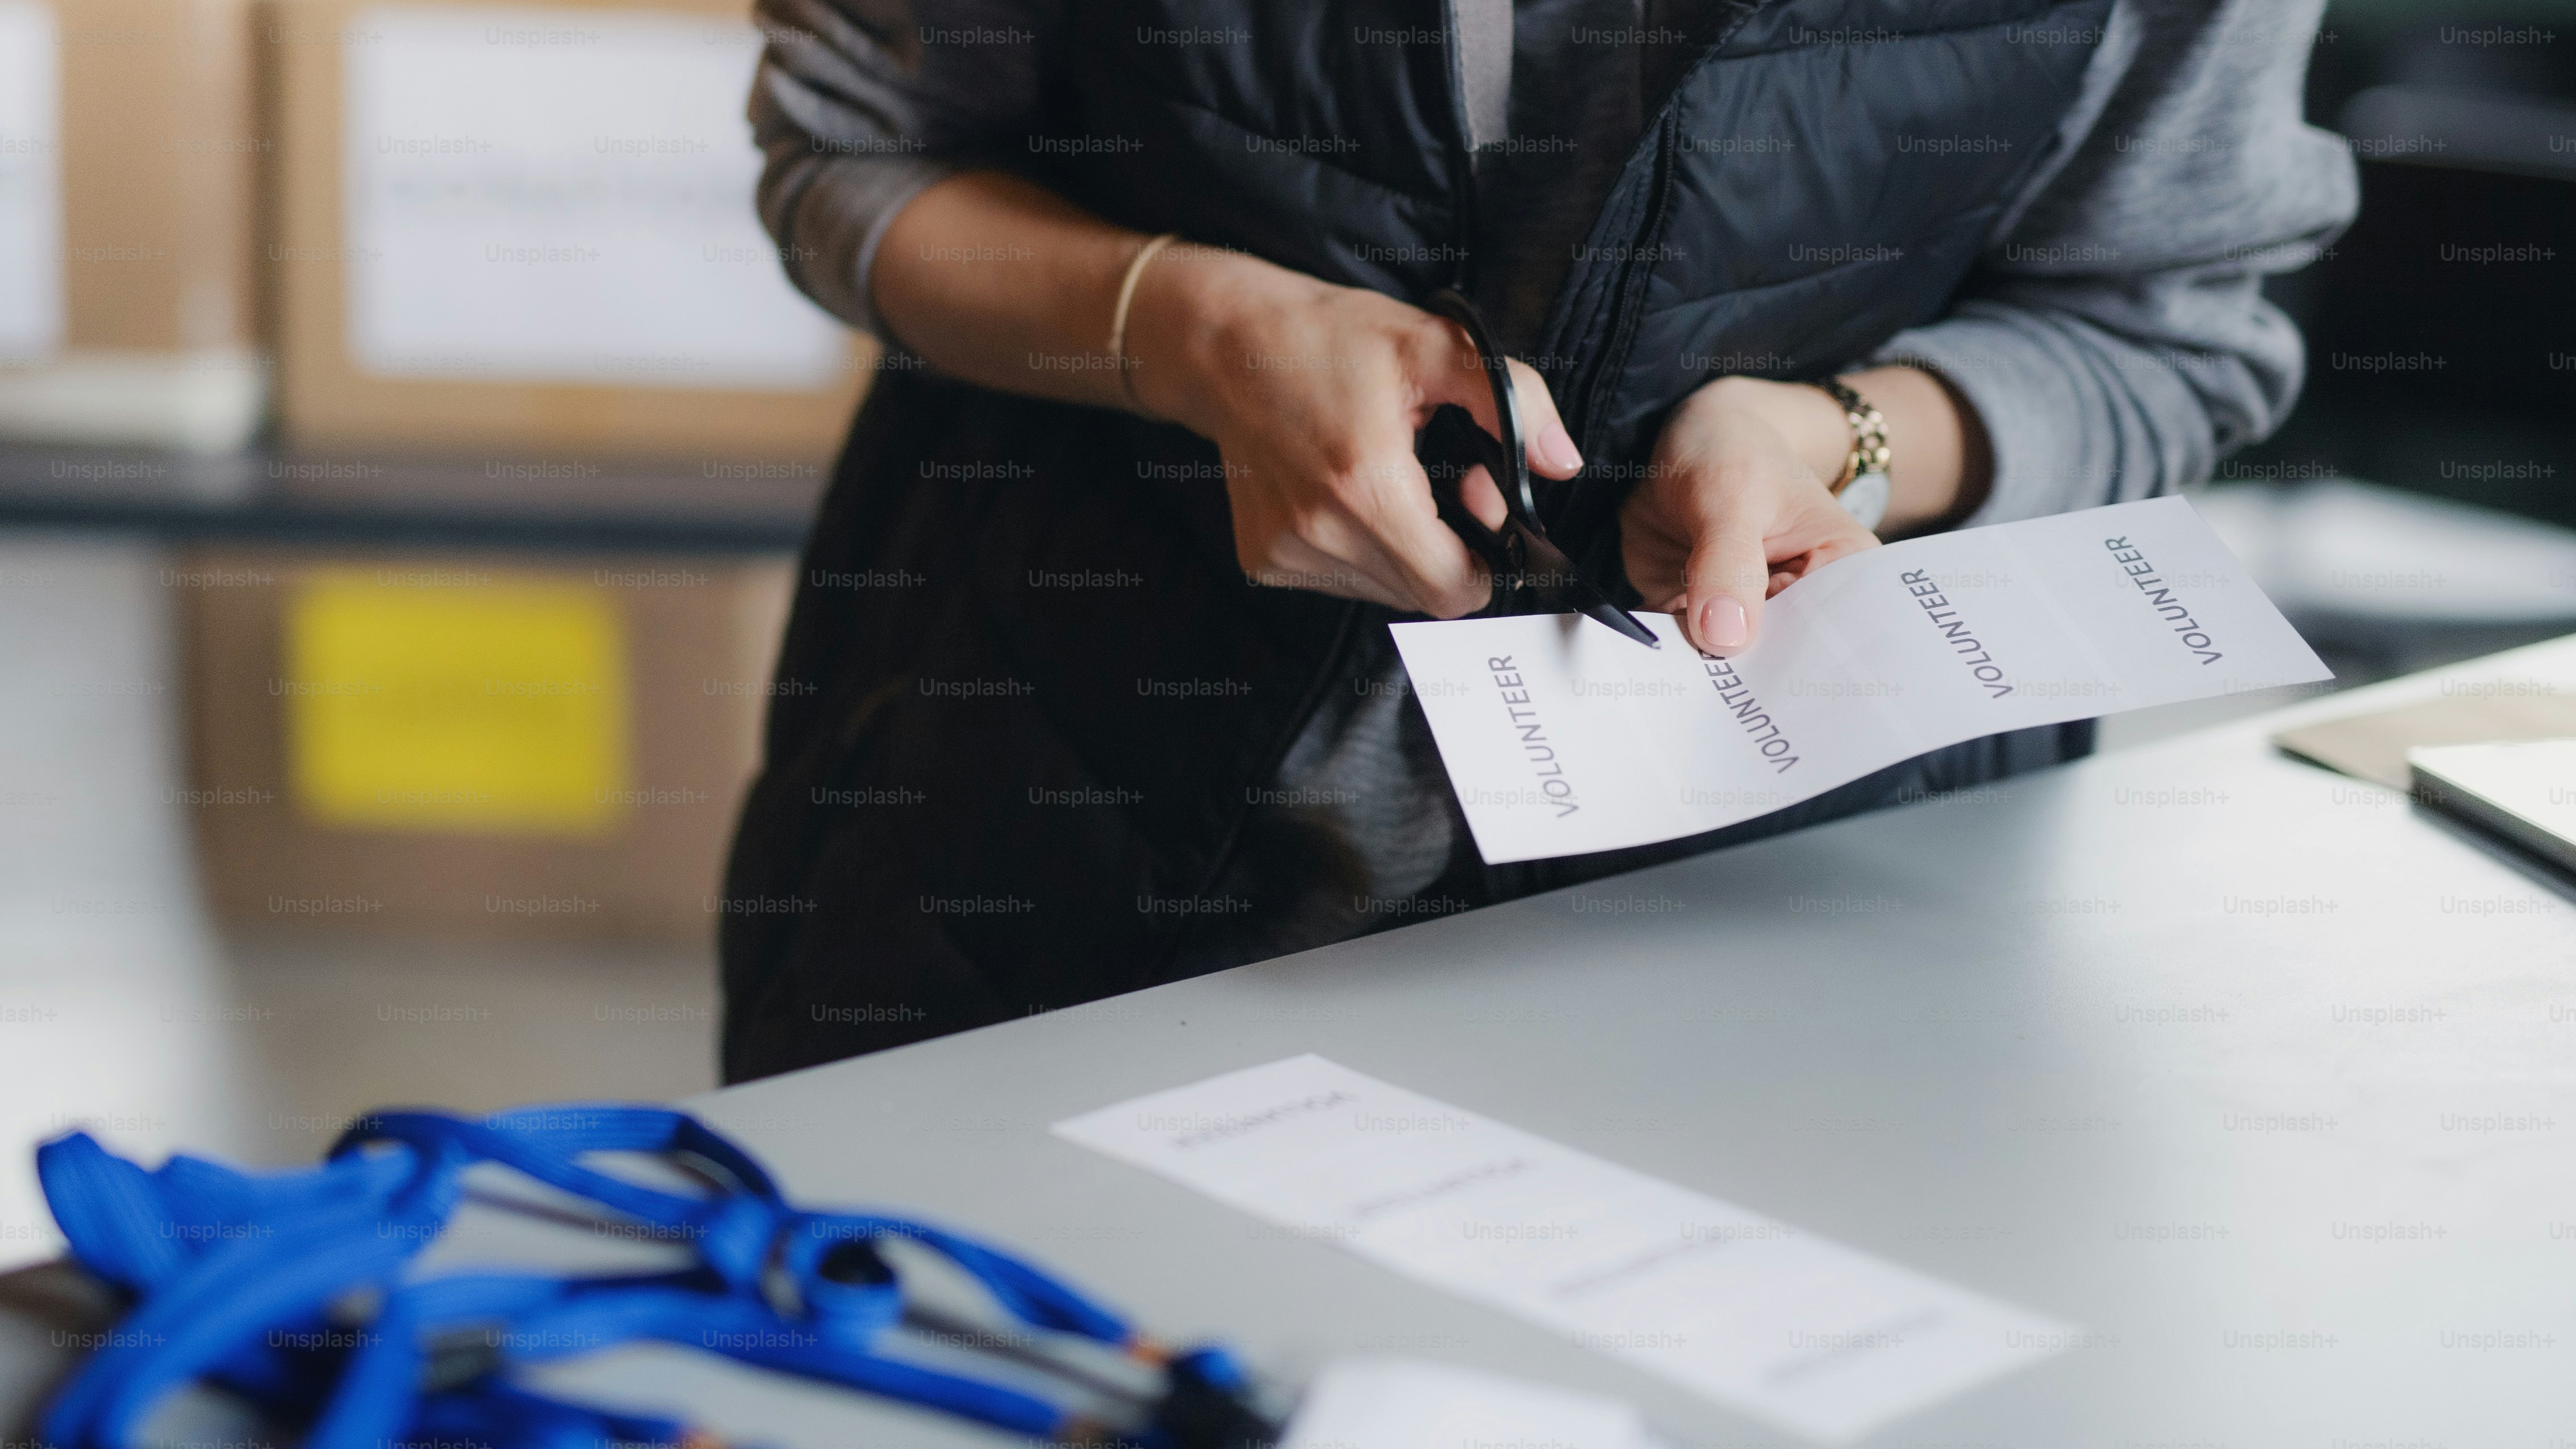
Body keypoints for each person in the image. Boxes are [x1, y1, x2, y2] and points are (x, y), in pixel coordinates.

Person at [718, 0, 2355, 1081]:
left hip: (1814, 954)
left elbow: (2165, 324)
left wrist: (1832, 439)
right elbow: (854, 154)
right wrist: (1196, 337)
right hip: (1044, 844)